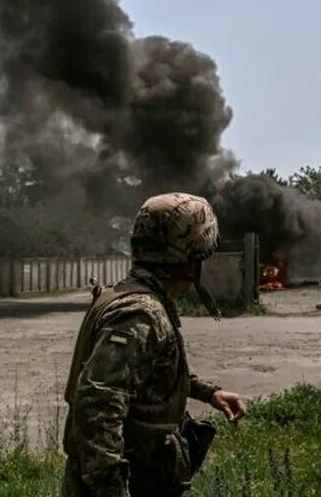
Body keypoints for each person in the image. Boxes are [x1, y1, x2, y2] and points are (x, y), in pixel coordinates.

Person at [62, 192, 247, 497]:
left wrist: (207, 392)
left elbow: (141, 375)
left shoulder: (127, 296)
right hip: (130, 482)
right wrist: (111, 487)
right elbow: (97, 404)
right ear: (191, 261)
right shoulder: (142, 313)